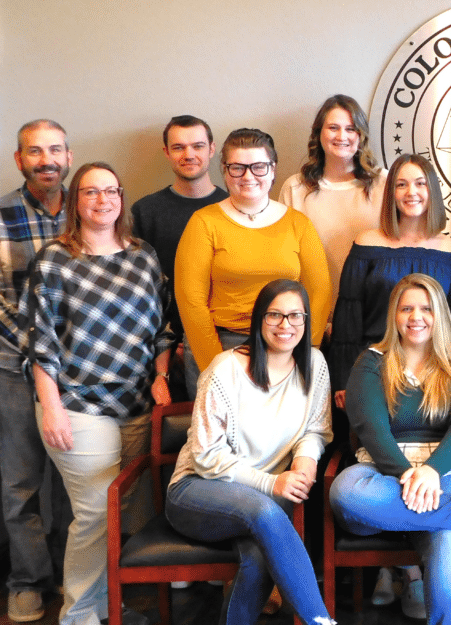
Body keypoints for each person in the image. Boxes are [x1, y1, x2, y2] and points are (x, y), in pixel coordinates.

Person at [21, 162, 173, 625]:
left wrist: (162, 374)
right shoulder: (53, 260)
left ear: (122, 198)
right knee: (95, 511)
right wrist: (51, 408)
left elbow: (161, 329)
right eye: (90, 192)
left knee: (123, 512)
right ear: (74, 201)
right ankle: (79, 614)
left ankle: (108, 603)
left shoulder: (143, 255)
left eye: (111, 191)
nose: (102, 200)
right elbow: (39, 342)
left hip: (137, 403)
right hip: (78, 404)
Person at [329, 274, 451, 625]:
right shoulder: (371, 362)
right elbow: (370, 427)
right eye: (406, 308)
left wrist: (432, 470)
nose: (415, 316)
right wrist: (407, 473)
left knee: (448, 544)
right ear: (394, 314)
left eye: (426, 308)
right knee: (345, 491)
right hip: (383, 475)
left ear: (441, 315)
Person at [166, 279, 334, 625]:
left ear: (306, 321)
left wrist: (305, 465)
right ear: (259, 320)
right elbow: (205, 455)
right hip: (196, 490)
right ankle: (321, 620)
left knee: (258, 557)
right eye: (275, 315)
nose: (285, 325)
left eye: (295, 316)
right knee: (265, 509)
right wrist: (270, 484)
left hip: (258, 500)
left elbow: (315, 430)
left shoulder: (314, 365)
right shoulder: (225, 370)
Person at [175, 128, 331, 399]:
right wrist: (218, 366)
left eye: (258, 167)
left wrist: (304, 349)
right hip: (222, 345)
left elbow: (320, 293)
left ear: (272, 170)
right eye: (237, 168)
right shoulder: (203, 223)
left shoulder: (298, 224)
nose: (248, 177)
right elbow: (191, 302)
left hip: (285, 345)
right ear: (224, 171)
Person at [330, 153, 451, 407]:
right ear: (391, 193)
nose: (412, 192)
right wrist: (345, 379)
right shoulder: (366, 244)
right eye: (401, 184)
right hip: (375, 370)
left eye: (420, 183)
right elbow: (349, 320)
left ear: (432, 190)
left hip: (435, 375)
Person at [0, 119, 72, 622]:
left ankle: (74, 575)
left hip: (77, 372)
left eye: (54, 150)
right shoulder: (2, 215)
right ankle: (27, 581)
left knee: (74, 481)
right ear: (19, 159)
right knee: (20, 482)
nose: (45, 159)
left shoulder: (93, 206)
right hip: (12, 365)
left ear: (68, 155)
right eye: (34, 151)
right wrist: (36, 350)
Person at [132, 115, 229, 400]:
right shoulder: (145, 212)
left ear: (212, 149)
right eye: (179, 147)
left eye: (197, 146)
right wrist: (165, 348)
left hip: (221, 343)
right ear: (166, 152)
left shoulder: (231, 209)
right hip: (159, 352)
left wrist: (200, 339)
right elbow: (143, 290)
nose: (189, 155)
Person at [278, 94, 387, 328]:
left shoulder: (385, 184)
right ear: (318, 133)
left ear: (361, 135)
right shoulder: (295, 188)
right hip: (309, 322)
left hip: (373, 321)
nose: (342, 136)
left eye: (351, 129)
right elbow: (283, 262)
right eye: (333, 128)